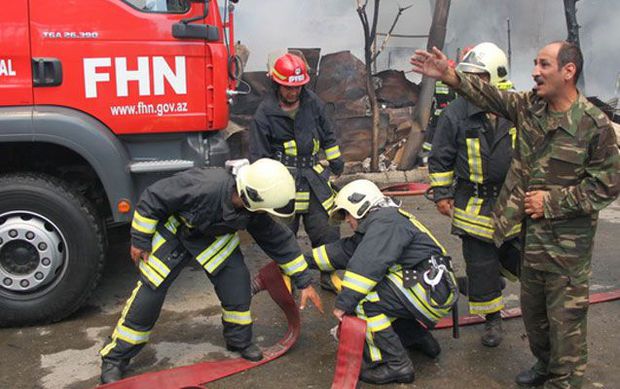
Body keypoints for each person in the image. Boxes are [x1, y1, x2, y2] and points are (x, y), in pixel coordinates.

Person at [411, 41, 620, 388]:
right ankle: (544, 366)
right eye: (535, 63)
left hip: (567, 248)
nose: (535, 71)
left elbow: (607, 186)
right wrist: (450, 76)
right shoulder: (530, 107)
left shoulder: (593, 124)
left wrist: (551, 203)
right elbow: (492, 97)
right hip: (530, 236)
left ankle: (564, 380)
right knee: (535, 314)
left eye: (544, 65)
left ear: (568, 72)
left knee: (565, 321)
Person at [99, 159, 323, 383]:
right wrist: (140, 239)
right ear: (251, 196)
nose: (265, 214)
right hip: (176, 233)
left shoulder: (252, 210)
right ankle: (116, 358)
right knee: (150, 294)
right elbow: (153, 198)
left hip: (213, 239)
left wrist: (304, 281)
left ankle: (239, 340)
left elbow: (278, 240)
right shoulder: (203, 186)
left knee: (237, 285)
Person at [304, 179, 458, 385]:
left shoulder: (385, 222)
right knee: (385, 296)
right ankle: (418, 338)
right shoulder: (382, 222)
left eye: (348, 214)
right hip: (430, 287)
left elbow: (367, 265)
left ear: (360, 206)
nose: (348, 220)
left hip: (429, 289)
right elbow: (344, 252)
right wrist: (297, 262)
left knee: (366, 301)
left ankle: (396, 364)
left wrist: (344, 304)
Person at [428, 42, 521, 348]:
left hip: (512, 200)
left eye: (479, 77)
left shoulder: (516, 107)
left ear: (495, 76)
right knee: (479, 261)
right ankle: (492, 318)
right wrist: (442, 192)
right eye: (468, 76)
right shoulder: (456, 113)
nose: (472, 83)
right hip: (474, 200)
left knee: (518, 255)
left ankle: (500, 282)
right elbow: (440, 155)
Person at [250, 52, 345, 293]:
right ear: (277, 84)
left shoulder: (313, 103)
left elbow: (328, 134)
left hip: (314, 176)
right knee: (282, 232)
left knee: (327, 227)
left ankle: (328, 274)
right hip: (283, 179)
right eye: (289, 88)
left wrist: (335, 161)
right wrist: (264, 185)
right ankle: (286, 275)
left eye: (298, 87)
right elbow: (258, 154)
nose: (294, 92)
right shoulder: (265, 112)